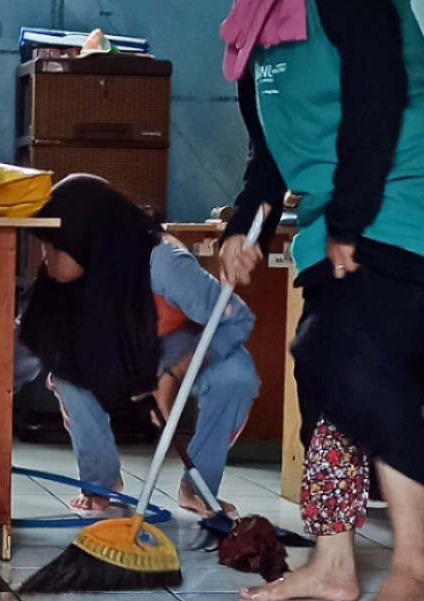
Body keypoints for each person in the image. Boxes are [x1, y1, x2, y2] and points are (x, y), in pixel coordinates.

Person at [164, 0, 424, 601]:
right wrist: (245, 228)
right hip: (339, 201)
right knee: (321, 369)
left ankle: (411, 567)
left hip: (405, 187)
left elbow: (378, 86)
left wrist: (352, 214)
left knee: (361, 363)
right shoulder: (255, 9)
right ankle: (334, 561)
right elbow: (269, 154)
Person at [16, 175, 262, 517]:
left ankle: (199, 487)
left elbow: (237, 319)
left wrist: (175, 375)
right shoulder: (61, 281)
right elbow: (23, 350)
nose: (47, 257)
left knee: (236, 374)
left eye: (55, 245)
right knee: (67, 370)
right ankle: (100, 484)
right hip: (116, 351)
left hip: (178, 347)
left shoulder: (161, 261)